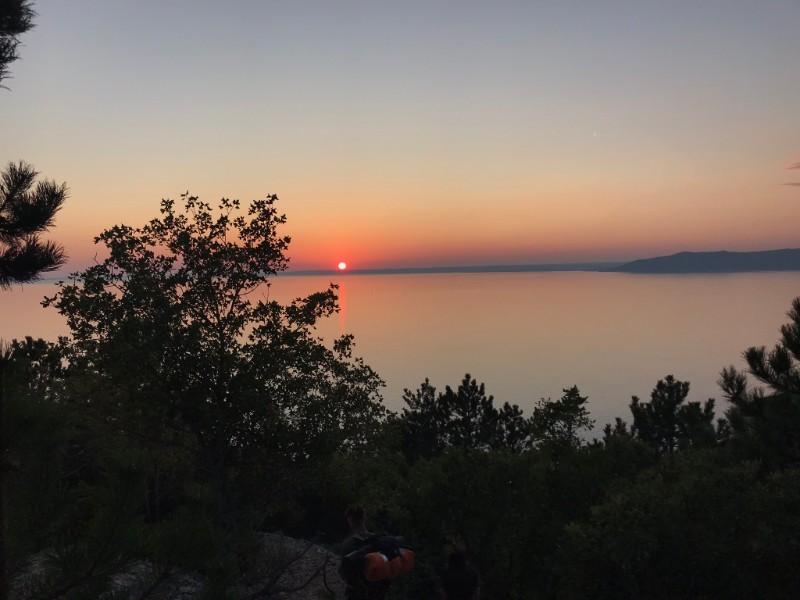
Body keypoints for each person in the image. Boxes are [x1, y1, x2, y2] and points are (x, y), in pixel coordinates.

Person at [340, 505, 390, 600]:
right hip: (378, 594)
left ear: (350, 521)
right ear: (363, 517)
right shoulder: (379, 541)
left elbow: (344, 573)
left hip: (357, 595)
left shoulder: (348, 545)